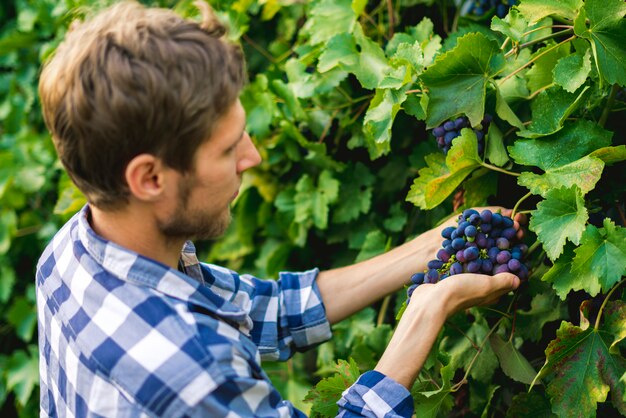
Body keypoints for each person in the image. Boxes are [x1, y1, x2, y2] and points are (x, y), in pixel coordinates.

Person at [36, 2, 520, 417]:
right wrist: (427, 311)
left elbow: (267, 312)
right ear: (149, 178)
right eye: (228, 150)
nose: (253, 157)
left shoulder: (73, 253)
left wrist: (426, 248)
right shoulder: (192, 369)